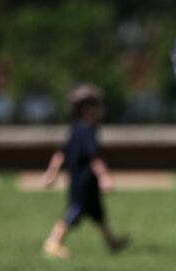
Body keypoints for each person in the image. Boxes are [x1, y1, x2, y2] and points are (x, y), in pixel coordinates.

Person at [42, 84, 129, 259]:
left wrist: (52, 173)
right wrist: (105, 177)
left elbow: (61, 153)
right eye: (95, 106)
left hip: (83, 180)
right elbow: (94, 157)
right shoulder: (87, 130)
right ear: (87, 109)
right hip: (84, 180)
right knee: (75, 211)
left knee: (98, 213)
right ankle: (53, 242)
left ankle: (112, 242)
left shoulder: (76, 128)